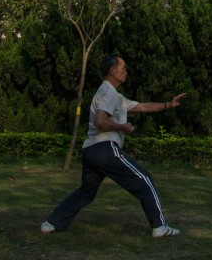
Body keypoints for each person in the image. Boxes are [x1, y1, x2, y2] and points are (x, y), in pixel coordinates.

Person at [40, 54, 187, 238]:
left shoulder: (114, 96)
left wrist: (168, 104)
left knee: (86, 192)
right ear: (112, 70)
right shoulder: (108, 93)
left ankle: (51, 223)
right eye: (123, 68)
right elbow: (100, 121)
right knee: (145, 180)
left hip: (90, 151)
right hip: (104, 149)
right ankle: (160, 227)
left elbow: (142, 106)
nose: (126, 71)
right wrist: (122, 127)